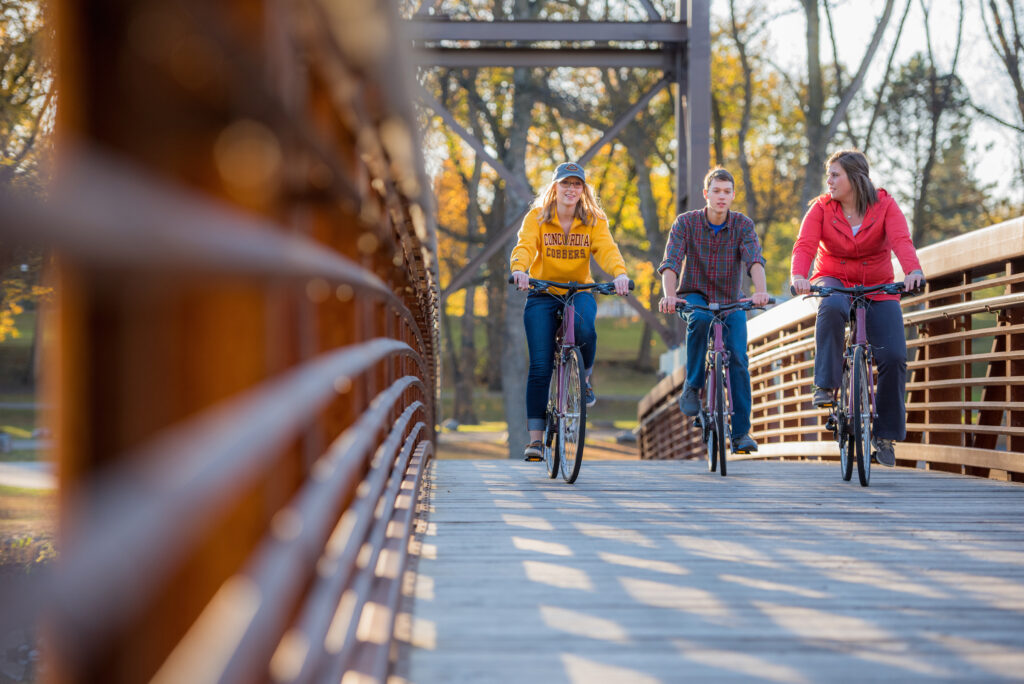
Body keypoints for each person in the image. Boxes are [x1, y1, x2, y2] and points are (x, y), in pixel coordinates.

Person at [790, 149, 925, 467]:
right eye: (828, 174)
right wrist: (799, 275)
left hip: (877, 285)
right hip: (833, 279)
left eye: (835, 174)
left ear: (854, 177)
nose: (829, 180)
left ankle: (886, 435)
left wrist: (913, 271)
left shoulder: (885, 205)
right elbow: (806, 245)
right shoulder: (822, 208)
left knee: (893, 356)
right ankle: (825, 383)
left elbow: (901, 240)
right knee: (832, 307)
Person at [510, 161, 631, 461]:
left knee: (587, 329)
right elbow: (524, 247)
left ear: (583, 189)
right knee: (540, 365)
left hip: (579, 291)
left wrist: (619, 274)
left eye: (577, 185)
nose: (571, 189)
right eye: (566, 184)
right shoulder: (537, 217)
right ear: (555, 187)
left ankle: (584, 378)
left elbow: (606, 248)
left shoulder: (593, 219)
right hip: (542, 292)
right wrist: (519, 270)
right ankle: (536, 441)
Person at [657, 168, 770, 454]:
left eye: (727, 192)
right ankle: (693, 386)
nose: (721, 197)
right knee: (701, 319)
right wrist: (670, 296)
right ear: (706, 194)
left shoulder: (743, 224)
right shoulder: (686, 223)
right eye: (716, 191)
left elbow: (754, 259)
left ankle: (742, 433)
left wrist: (760, 291)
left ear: (733, 195)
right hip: (695, 296)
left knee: (740, 359)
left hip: (732, 299)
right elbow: (671, 262)